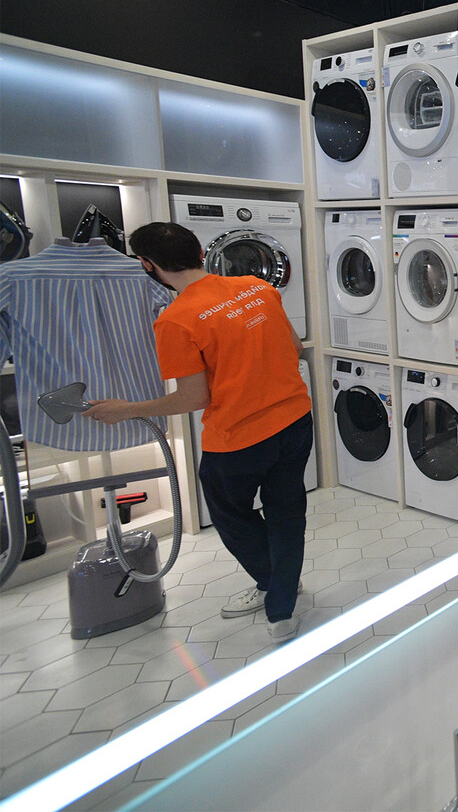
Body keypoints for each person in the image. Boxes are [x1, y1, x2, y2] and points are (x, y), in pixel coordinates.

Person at [84, 222, 313, 643]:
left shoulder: (176, 320)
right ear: (201, 253)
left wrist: (126, 410)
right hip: (295, 421)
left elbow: (193, 397)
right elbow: (295, 349)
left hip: (238, 439)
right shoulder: (258, 288)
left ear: (147, 265)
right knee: (286, 513)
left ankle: (274, 582)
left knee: (229, 515)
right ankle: (280, 608)